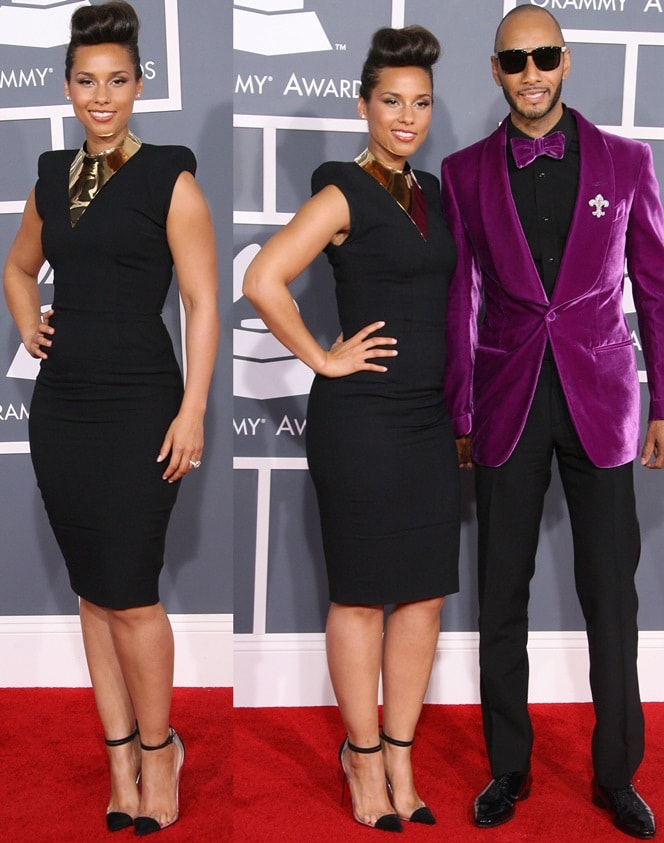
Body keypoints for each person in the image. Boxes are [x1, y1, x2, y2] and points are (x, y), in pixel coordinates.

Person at [441, 5, 664, 839]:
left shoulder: (625, 161)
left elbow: (657, 287)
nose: (532, 72)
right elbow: (461, 297)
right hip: (508, 401)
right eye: (516, 61)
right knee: (500, 593)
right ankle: (507, 768)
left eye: (545, 56)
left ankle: (617, 774)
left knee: (609, 597)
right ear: (496, 71)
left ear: (567, 61)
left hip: (604, 402)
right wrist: (461, 407)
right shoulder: (465, 171)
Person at [3, 1, 218, 835]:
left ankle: (163, 750)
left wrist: (194, 410)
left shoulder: (172, 177)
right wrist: (26, 315)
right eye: (86, 82)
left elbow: (202, 301)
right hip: (63, 412)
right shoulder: (49, 178)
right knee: (94, 595)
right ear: (66, 86)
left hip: (141, 405)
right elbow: (20, 269)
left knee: (131, 595)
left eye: (117, 81)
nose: (102, 97)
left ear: (139, 85)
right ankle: (120, 756)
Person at [243, 25, 459, 833]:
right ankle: (362, 755)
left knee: (425, 600)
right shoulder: (342, 189)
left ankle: (401, 751)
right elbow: (263, 277)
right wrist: (322, 359)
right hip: (362, 422)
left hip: (429, 419)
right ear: (363, 104)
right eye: (392, 101)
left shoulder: (436, 194)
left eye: (422, 103)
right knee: (363, 596)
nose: (408, 117)